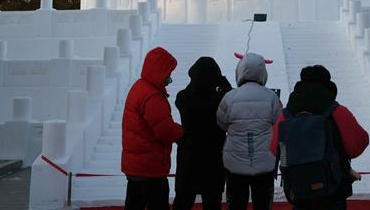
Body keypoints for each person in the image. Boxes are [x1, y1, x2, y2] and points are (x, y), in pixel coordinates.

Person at [271, 65, 370, 210]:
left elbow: (274, 149)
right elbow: (358, 144)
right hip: (332, 189)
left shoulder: (285, 116)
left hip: (297, 188)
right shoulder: (337, 111)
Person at [217, 52, 283, 210]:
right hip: (264, 162)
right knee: (262, 202)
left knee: (237, 203)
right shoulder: (271, 97)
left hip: (235, 162)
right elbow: (279, 123)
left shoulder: (230, 97)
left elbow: (221, 122)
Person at [121, 46, 183, 210]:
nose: (169, 77)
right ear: (160, 72)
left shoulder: (139, 87)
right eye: (168, 73)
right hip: (149, 168)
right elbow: (164, 130)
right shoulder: (152, 96)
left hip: (136, 166)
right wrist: (182, 133)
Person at [173, 56, 233, 210]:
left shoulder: (183, 97)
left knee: (183, 201)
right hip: (213, 160)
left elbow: (187, 95)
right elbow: (232, 101)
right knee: (212, 202)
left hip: (189, 158)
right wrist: (226, 87)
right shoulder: (220, 100)